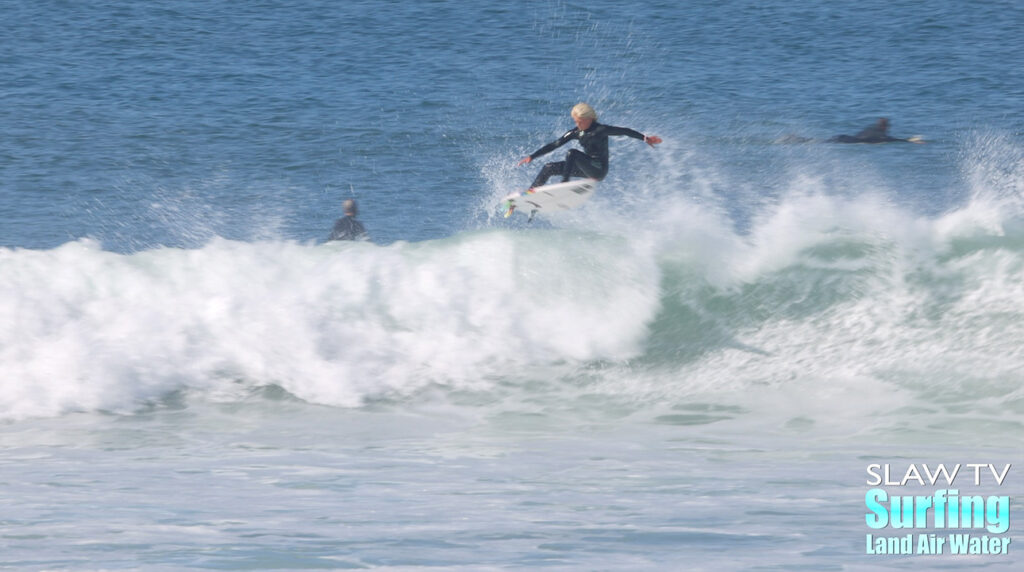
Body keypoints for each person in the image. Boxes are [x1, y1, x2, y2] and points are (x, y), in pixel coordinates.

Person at [517, 103, 662, 188]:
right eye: (575, 121)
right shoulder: (576, 132)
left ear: (590, 119)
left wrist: (645, 138)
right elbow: (555, 144)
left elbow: (625, 131)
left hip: (598, 170)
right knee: (548, 168)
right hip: (584, 168)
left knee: (571, 153)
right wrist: (532, 156)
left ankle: (564, 185)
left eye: (580, 121)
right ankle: (532, 193)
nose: (577, 124)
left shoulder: (601, 130)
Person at [827, 118, 923, 144]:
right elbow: (892, 139)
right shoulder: (881, 135)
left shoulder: (871, 128)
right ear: (885, 127)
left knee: (822, 142)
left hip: (843, 137)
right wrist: (909, 141)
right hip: (848, 141)